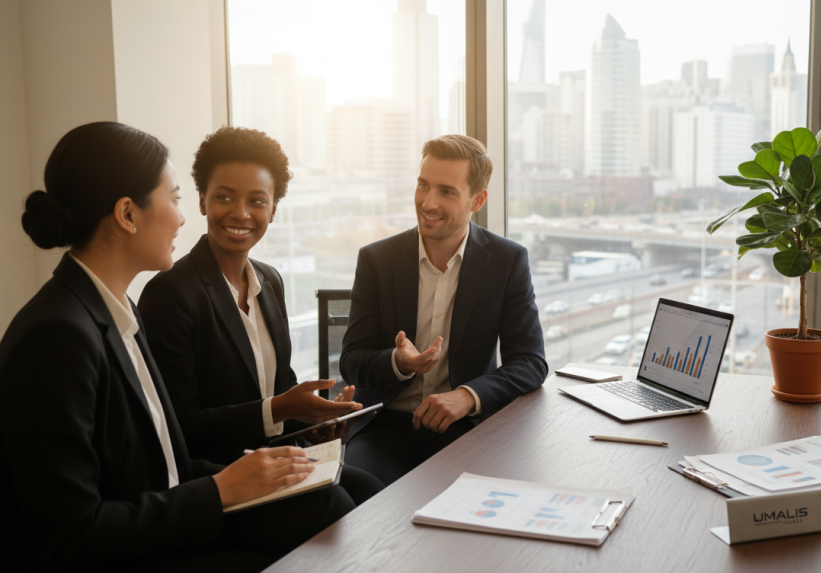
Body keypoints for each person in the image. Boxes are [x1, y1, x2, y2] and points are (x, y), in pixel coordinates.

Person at [0, 122, 348, 571]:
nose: (183, 218)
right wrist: (222, 489)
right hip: (127, 551)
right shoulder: (56, 337)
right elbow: (71, 537)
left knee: (330, 502)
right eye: (176, 199)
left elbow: (161, 461)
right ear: (128, 214)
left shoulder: (116, 308)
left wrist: (257, 473)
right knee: (328, 523)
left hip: (163, 517)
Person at [138, 126, 382, 503]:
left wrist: (314, 422)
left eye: (256, 200)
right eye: (224, 197)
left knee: (372, 491)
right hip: (220, 475)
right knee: (339, 504)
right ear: (202, 200)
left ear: (273, 209)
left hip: (280, 456)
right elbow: (180, 424)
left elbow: (279, 384)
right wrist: (282, 408)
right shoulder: (171, 293)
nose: (240, 213)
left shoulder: (270, 281)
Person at [341, 134, 547, 486]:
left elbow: (530, 362)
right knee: (360, 500)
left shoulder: (507, 261)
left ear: (477, 199)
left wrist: (468, 396)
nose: (428, 202)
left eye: (447, 192)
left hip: (462, 424)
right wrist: (397, 362)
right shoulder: (376, 259)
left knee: (465, 508)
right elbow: (351, 361)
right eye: (423, 185)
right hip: (385, 425)